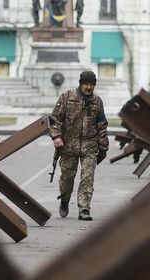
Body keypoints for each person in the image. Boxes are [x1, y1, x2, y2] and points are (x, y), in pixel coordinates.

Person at [50, 70, 108, 221]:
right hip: (68, 146)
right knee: (67, 178)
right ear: (80, 84)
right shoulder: (67, 96)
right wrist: (56, 137)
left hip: (89, 146)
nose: (89, 87)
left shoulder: (97, 101)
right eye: (86, 84)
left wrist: (103, 147)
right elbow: (54, 120)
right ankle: (64, 199)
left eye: (92, 84)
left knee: (87, 178)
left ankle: (84, 208)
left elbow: (102, 125)